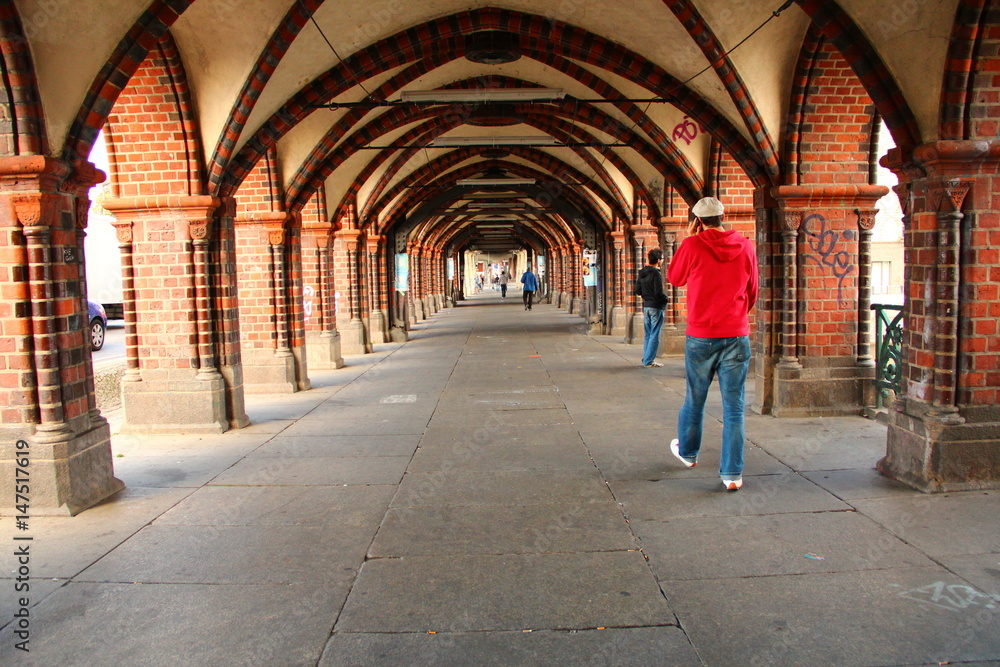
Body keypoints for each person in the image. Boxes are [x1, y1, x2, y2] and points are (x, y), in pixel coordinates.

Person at [667, 196, 758, 491]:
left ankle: (688, 453)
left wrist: (689, 242)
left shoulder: (692, 245)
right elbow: (753, 289)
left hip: (702, 335)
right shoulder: (746, 245)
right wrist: (737, 318)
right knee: (734, 407)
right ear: (723, 216)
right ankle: (732, 474)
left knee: (696, 397)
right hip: (736, 334)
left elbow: (675, 277)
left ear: (696, 220)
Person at [634, 247, 668, 368]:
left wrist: (646, 296)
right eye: (662, 259)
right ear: (658, 260)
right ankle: (649, 361)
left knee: (648, 334)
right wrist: (665, 299)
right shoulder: (656, 273)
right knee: (655, 334)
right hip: (656, 306)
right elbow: (658, 292)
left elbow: (637, 290)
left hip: (646, 306)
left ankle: (646, 359)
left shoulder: (642, 273)